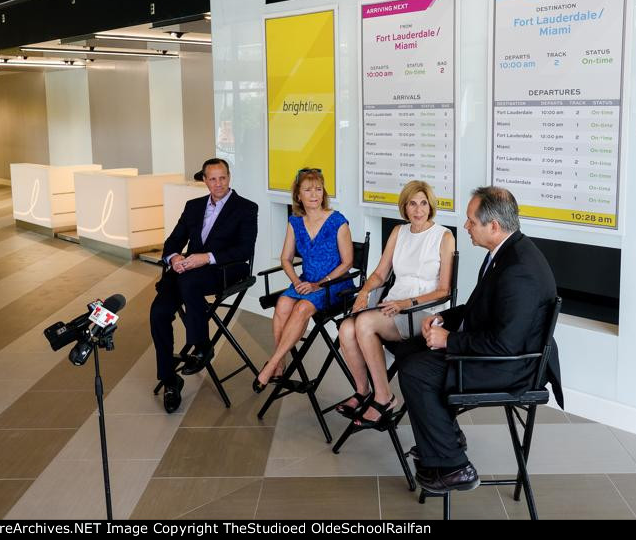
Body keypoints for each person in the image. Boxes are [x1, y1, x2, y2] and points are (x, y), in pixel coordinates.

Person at [400, 186, 562, 493]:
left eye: (472, 221)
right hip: (502, 352)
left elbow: (505, 345)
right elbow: (480, 309)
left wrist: (448, 340)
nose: (466, 227)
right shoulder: (506, 252)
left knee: (416, 372)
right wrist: (443, 319)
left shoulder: (519, 270)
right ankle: (443, 436)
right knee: (410, 348)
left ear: (494, 226)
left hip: (511, 367)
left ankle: (454, 467)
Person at [336, 180, 455, 427]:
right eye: (412, 203)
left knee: (365, 323)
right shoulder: (398, 232)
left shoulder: (443, 236)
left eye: (423, 203)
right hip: (393, 305)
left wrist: (406, 303)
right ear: (405, 206)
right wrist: (364, 292)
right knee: (346, 328)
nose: (418, 209)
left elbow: (444, 290)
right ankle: (363, 392)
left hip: (422, 311)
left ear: (430, 205)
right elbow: (380, 274)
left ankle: (385, 398)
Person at [149, 158, 258, 414]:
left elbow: (244, 249)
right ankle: (169, 380)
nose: (218, 183)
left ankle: (201, 345)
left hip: (224, 269)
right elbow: (174, 240)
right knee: (159, 313)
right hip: (188, 270)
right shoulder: (194, 206)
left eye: (222, 178)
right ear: (205, 180)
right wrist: (175, 257)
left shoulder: (246, 208)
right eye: (212, 179)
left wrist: (204, 258)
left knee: (189, 281)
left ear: (229, 177)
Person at [254, 168, 354, 392]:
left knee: (301, 309)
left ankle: (272, 365)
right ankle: (280, 363)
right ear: (298, 195)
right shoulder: (295, 222)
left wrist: (319, 283)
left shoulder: (338, 221)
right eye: (308, 190)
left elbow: (347, 263)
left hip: (334, 285)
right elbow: (286, 258)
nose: (314, 194)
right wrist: (296, 281)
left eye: (318, 189)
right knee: (282, 304)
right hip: (305, 281)